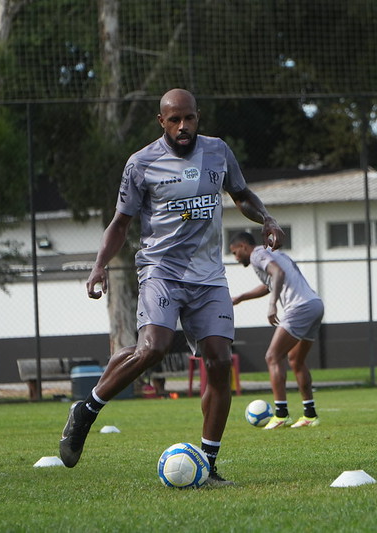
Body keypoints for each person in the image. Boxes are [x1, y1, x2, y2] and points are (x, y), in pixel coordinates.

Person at [59, 88, 285, 486]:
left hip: (208, 276)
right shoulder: (141, 163)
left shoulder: (217, 152)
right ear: (161, 121)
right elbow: (120, 223)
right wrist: (99, 266)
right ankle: (86, 411)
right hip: (160, 271)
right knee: (154, 348)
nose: (184, 127)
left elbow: (241, 194)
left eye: (190, 119)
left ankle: (209, 464)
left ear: (199, 117)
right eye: (175, 120)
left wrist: (265, 218)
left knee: (217, 361)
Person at [229, 231, 324, 429]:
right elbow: (270, 283)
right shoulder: (272, 254)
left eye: (235, 252)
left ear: (244, 247)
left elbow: (277, 274)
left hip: (299, 308)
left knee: (272, 357)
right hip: (314, 305)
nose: (236, 258)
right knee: (296, 360)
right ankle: (310, 415)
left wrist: (272, 305)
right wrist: (240, 298)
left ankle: (281, 415)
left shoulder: (256, 255)